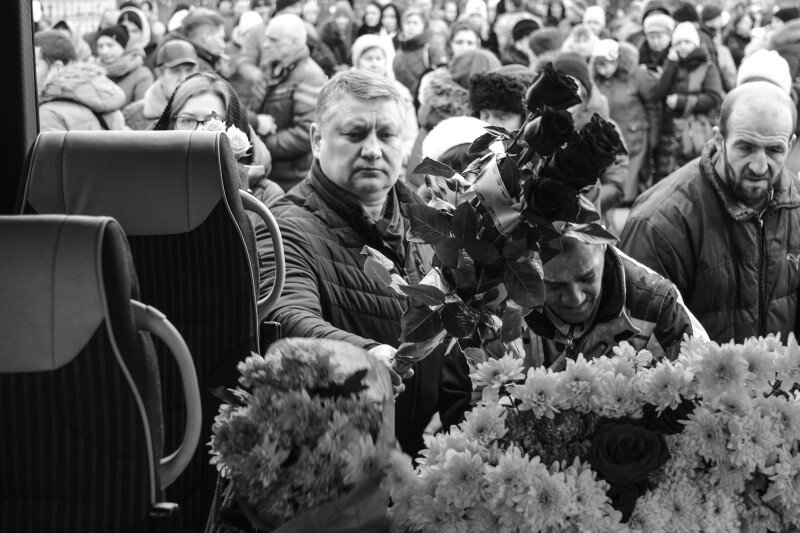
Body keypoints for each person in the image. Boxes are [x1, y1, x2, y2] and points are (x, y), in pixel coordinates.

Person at [259, 70, 468, 457]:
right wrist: (365, 355)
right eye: (355, 134)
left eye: (386, 135)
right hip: (337, 462)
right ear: (317, 139)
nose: (372, 149)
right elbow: (286, 316)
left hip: (422, 463)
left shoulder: (432, 225)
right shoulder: (284, 227)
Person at [620, 82, 800, 344]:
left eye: (774, 150)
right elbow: (636, 344)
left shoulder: (796, 204)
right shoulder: (658, 222)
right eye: (745, 147)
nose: (760, 166)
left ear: (790, 144)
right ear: (719, 139)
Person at [523, 238, 705, 370]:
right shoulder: (510, 295)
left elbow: (704, 391)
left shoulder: (657, 305)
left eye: (587, 277)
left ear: (604, 245)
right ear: (525, 263)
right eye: (554, 285)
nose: (575, 299)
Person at [152, 71, 280, 207]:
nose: (198, 132)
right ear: (170, 126)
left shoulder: (265, 196)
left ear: (232, 128)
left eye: (212, 121)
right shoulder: (149, 185)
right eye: (187, 120)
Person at [251, 14, 327, 191]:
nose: (265, 44)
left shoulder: (311, 75)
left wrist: (260, 144)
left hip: (292, 180)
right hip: (266, 170)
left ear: (294, 42)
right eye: (266, 38)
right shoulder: (270, 68)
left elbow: (306, 132)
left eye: (273, 40)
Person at [591, 39, 659, 228]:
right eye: (598, 65)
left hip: (635, 139)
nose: (603, 69)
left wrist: (654, 140)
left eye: (606, 64)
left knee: (629, 187)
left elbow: (652, 106)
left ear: (617, 60)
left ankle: (631, 226)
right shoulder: (595, 80)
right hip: (609, 140)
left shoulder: (636, 75)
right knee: (612, 184)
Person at [551, 52, 627, 217]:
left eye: (574, 84)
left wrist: (582, 204)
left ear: (584, 90)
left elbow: (616, 185)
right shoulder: (538, 124)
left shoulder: (606, 129)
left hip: (587, 221)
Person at [653, 21, 723, 174]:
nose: (683, 46)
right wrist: (670, 65)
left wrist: (682, 102)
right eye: (678, 43)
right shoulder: (672, 64)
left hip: (696, 130)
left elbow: (713, 97)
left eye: (687, 42)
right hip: (670, 131)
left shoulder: (708, 67)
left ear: (695, 44)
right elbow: (660, 92)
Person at [36, 30, 127, 132]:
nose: (27, 71)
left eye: (35, 65)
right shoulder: (98, 93)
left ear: (57, 68)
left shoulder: (47, 114)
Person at [351, 34, 418, 167]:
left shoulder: (400, 93)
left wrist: (395, 157)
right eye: (368, 58)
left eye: (378, 58)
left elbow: (411, 138)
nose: (374, 63)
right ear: (358, 62)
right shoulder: (345, 92)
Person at [123, 39, 200, 130]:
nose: (183, 78)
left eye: (189, 70)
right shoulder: (133, 116)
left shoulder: (210, 109)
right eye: (175, 71)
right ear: (159, 73)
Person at [393, 6, 447, 100]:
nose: (411, 26)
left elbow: (442, 81)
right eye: (408, 22)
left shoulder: (431, 51)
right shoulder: (398, 56)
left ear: (423, 26)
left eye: (415, 23)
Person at [95, 25, 154, 105]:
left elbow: (140, 107)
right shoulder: (93, 72)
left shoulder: (142, 75)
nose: (104, 51)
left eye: (110, 45)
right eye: (100, 46)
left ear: (124, 47)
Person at [175, 8, 228, 73]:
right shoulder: (201, 71)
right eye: (221, 38)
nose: (223, 45)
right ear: (206, 36)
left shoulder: (179, 59)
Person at [318, 1, 359, 76]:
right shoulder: (326, 33)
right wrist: (335, 66)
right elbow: (323, 53)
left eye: (345, 17)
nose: (342, 21)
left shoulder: (357, 31)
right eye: (338, 17)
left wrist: (351, 67)